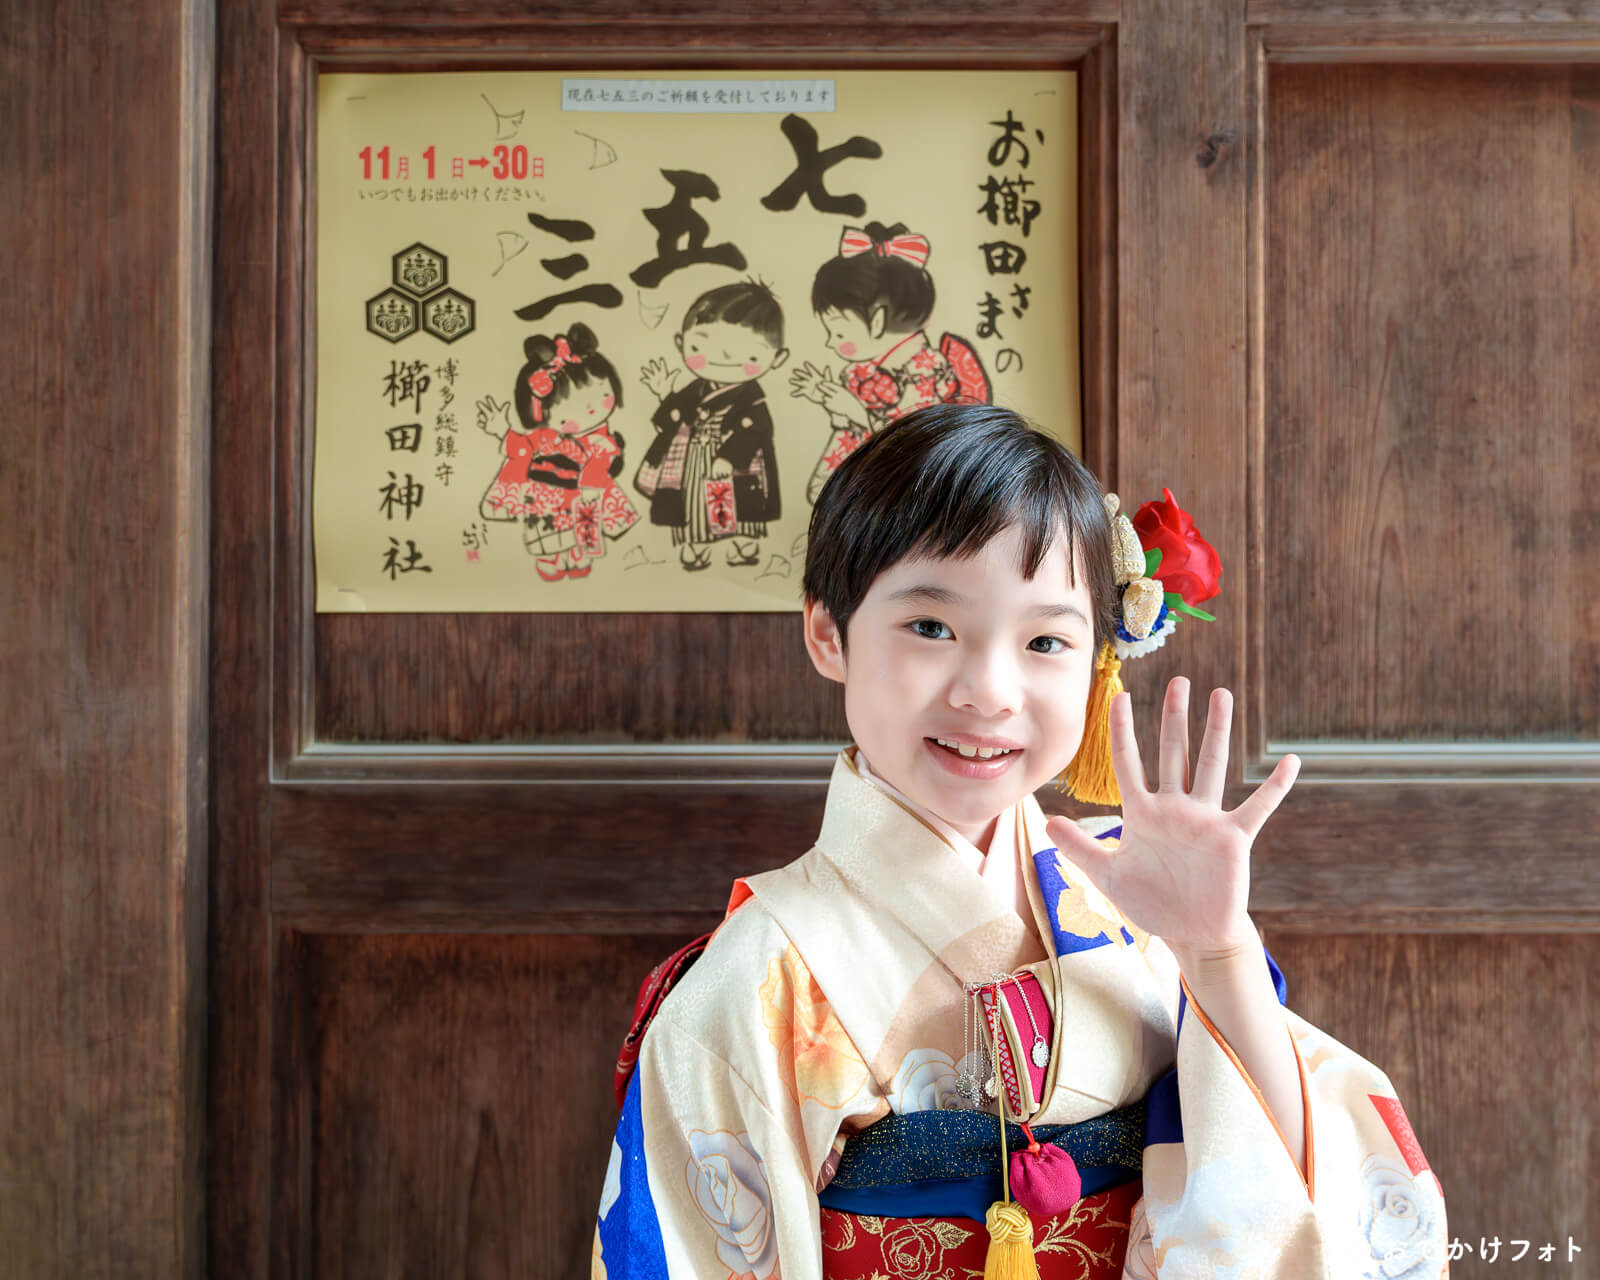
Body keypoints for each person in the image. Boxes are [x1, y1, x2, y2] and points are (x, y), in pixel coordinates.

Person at [593, 404, 1449, 1279]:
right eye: (932, 627)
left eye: (1045, 640)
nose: (991, 691)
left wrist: (1218, 951)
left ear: (1097, 663)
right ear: (828, 633)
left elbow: (1290, 1210)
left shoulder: (1136, 898)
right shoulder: (754, 984)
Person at [789, 222, 990, 503]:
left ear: (878, 321)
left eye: (839, 332)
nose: (831, 343)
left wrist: (854, 410)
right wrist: (836, 407)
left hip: (910, 494)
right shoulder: (866, 371)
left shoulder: (925, 369)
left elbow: (915, 448)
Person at [634, 280, 786, 571]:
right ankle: (697, 545)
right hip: (694, 459)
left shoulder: (752, 400)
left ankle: (743, 545)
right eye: (701, 345)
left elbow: (758, 429)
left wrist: (729, 456)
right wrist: (666, 395)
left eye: (749, 354)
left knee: (741, 505)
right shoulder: (693, 392)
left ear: (777, 358)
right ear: (681, 344)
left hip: (737, 463)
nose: (724, 358)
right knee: (693, 502)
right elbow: (667, 421)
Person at [475, 323, 638, 582]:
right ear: (541, 412)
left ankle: (575, 554)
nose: (591, 410)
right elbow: (523, 446)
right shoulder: (543, 435)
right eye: (572, 406)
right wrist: (502, 432)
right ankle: (549, 557)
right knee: (547, 530)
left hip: (583, 490)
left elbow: (603, 461)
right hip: (545, 493)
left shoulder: (601, 439)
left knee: (582, 527)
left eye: (602, 394)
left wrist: (592, 481)